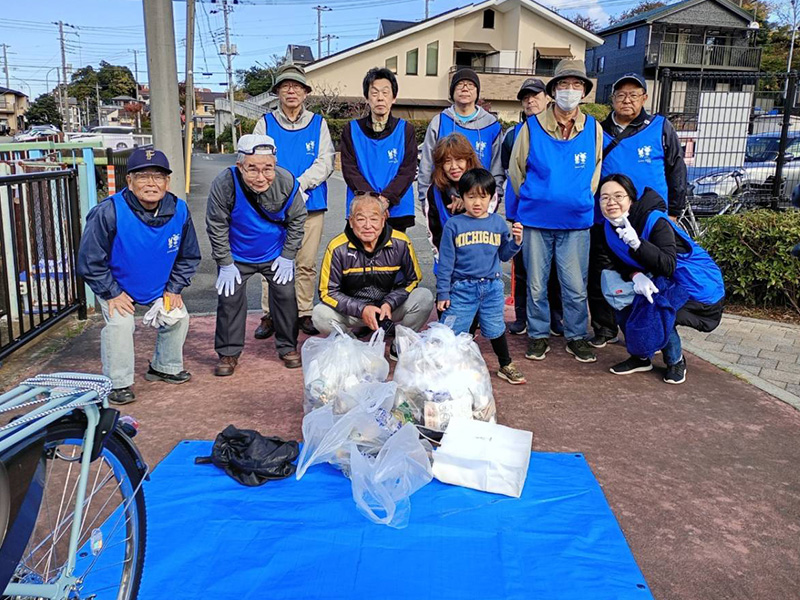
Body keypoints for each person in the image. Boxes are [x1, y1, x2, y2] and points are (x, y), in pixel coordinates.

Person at [78, 148, 201, 405]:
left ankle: (164, 367)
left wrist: (174, 288)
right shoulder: (108, 211)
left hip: (160, 287)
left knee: (178, 317)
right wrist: (111, 292)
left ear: (167, 182)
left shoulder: (179, 210)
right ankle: (117, 382)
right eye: (143, 176)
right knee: (121, 325)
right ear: (130, 181)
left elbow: (189, 257)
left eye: (158, 177)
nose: (151, 183)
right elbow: (90, 260)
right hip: (116, 285)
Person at [509, 59, 603, 364]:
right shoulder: (532, 126)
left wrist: (575, 198)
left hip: (576, 223)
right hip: (536, 221)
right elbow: (516, 170)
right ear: (554, 90)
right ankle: (538, 335)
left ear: (585, 91)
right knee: (536, 283)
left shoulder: (593, 128)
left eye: (577, 85)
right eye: (564, 85)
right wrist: (539, 198)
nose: (570, 91)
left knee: (575, 284)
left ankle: (576, 336)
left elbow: (596, 171)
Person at [588, 72, 689, 350]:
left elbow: (676, 169)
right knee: (603, 273)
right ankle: (605, 327)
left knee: (655, 275)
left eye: (634, 94)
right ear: (612, 99)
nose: (627, 100)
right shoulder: (598, 129)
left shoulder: (660, 126)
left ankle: (654, 332)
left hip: (650, 218)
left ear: (644, 98)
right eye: (621, 95)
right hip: (605, 217)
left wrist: (674, 211)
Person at [597, 174, 724, 384]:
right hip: (661, 278)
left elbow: (668, 264)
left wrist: (639, 244)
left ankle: (675, 361)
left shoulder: (655, 220)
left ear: (631, 198)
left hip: (697, 285)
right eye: (605, 197)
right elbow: (618, 263)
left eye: (618, 196)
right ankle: (641, 356)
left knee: (656, 308)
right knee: (621, 300)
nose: (611, 202)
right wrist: (635, 276)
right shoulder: (608, 228)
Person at [207, 134, 307, 375]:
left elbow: (298, 219)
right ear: (240, 165)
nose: (261, 177)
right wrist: (225, 262)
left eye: (267, 169)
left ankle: (287, 346)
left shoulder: (286, 181)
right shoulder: (224, 183)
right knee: (229, 299)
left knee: (285, 296)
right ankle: (228, 353)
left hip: (275, 253)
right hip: (237, 255)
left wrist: (288, 256)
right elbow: (216, 224)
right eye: (252, 169)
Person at [252, 63, 335, 338]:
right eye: (285, 86)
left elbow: (326, 161)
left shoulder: (318, 123)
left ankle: (304, 311)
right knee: (271, 260)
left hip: (311, 203)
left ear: (305, 92)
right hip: (273, 205)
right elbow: (258, 160)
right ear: (277, 92)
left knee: (306, 262)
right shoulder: (265, 123)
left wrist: (301, 183)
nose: (291, 90)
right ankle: (270, 313)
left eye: (297, 86)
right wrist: (283, 188)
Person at [312, 193, 434, 357]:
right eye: (361, 219)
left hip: (388, 308)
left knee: (424, 297)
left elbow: (412, 281)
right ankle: (354, 348)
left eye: (374, 219)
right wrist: (362, 309)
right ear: (351, 220)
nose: (368, 225)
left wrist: (389, 303)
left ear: (384, 220)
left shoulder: (401, 242)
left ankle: (400, 344)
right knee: (320, 314)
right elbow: (327, 292)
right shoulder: (337, 247)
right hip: (354, 311)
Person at [436, 168, 526, 385]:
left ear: (492, 197)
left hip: (492, 288)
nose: (477, 202)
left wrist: (515, 243)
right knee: (454, 331)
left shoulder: (497, 223)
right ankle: (450, 366)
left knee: (496, 327)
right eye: (471, 196)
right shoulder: (453, 225)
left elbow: (503, 254)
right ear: (461, 197)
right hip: (462, 289)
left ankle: (506, 364)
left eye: (483, 196)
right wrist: (443, 293)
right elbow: (446, 262)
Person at [501, 77, 562, 338]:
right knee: (523, 269)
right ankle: (523, 317)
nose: (530, 101)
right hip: (521, 213)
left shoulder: (557, 129)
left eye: (535, 95)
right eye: (525, 97)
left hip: (553, 214)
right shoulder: (512, 134)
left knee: (555, 270)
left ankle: (556, 318)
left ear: (547, 98)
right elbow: (507, 170)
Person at [339, 67, 417, 232]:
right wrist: (372, 201)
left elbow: (408, 170)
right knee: (359, 256)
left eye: (385, 92)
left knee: (394, 256)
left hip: (396, 210)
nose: (380, 98)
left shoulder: (405, 130)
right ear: (367, 98)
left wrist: (386, 199)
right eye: (374, 93)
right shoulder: (351, 130)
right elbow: (350, 170)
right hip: (362, 209)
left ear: (393, 97)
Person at [418, 67, 503, 208]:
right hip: (444, 200)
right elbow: (426, 164)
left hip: (480, 202)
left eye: (470, 85)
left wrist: (494, 199)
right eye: (459, 85)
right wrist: (425, 199)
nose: (465, 89)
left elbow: (497, 168)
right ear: (452, 92)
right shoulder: (439, 122)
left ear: (477, 92)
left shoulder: (491, 125)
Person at [424, 132, 481, 261]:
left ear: (468, 160)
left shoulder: (484, 185)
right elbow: (434, 232)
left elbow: (488, 224)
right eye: (447, 161)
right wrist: (444, 262)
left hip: (480, 262)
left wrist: (468, 202)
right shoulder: (434, 191)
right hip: (448, 261)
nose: (454, 167)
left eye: (459, 159)